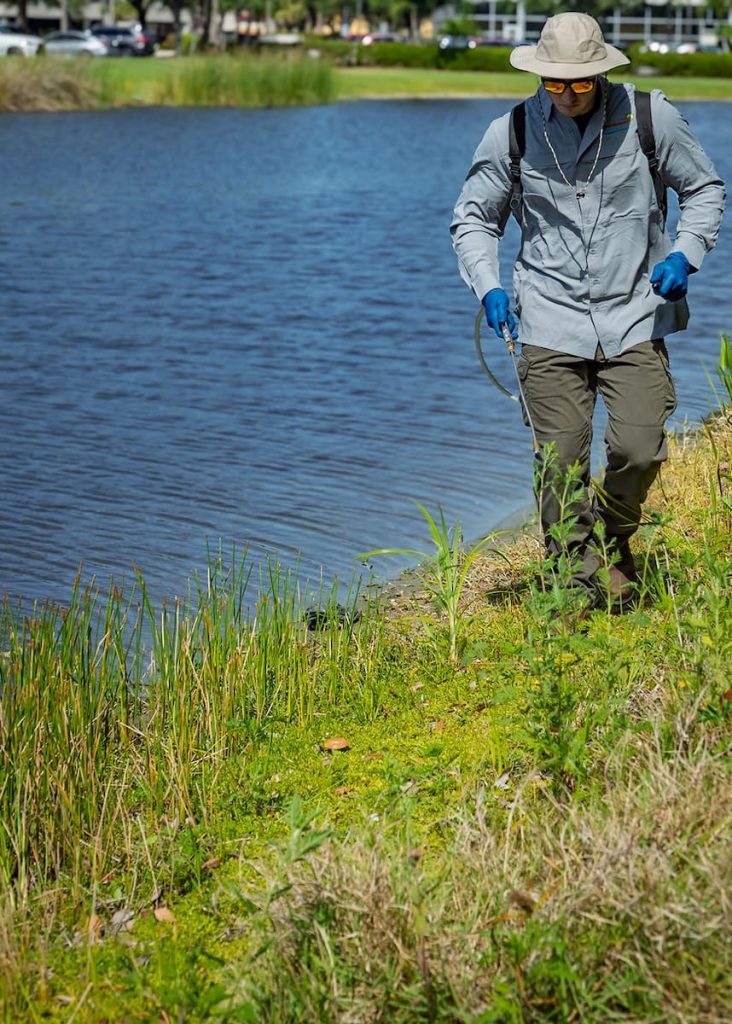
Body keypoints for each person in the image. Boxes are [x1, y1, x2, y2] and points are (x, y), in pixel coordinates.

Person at [451, 11, 725, 609]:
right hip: (547, 317)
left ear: (601, 72)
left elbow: (704, 190)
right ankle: (574, 581)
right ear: (541, 78)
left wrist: (685, 255)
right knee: (560, 460)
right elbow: (473, 219)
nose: (568, 94)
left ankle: (609, 538)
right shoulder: (514, 130)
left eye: (580, 82)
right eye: (555, 83)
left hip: (636, 314)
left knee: (639, 448)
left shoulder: (652, 117)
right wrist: (489, 286)